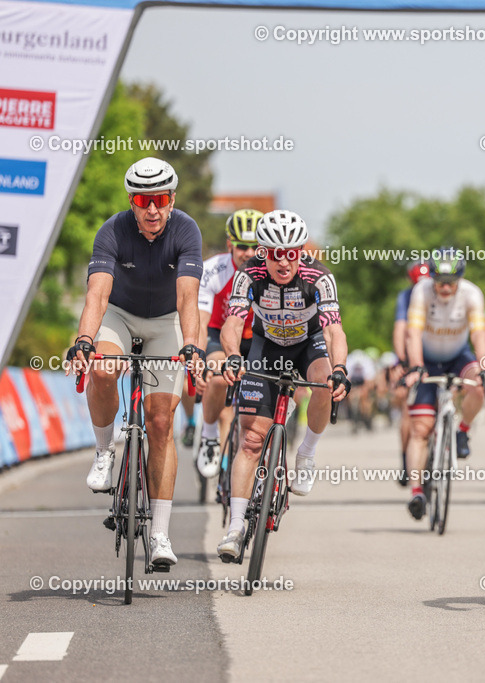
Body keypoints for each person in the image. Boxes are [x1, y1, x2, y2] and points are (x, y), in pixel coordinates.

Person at [65, 157, 204, 569]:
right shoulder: (112, 230)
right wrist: (85, 341)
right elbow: (97, 294)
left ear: (172, 198)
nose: (152, 210)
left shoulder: (186, 229)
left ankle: (159, 533)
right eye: (144, 200)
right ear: (132, 201)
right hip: (120, 315)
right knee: (104, 369)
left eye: (160, 199)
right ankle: (105, 450)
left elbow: (186, 299)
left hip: (166, 320)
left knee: (161, 421)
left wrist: (192, 346)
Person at [216, 210, 350, 560]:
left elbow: (335, 330)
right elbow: (232, 323)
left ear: (301, 250)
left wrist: (340, 369)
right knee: (251, 440)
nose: (285, 261)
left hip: (308, 344)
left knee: (322, 381)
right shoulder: (249, 275)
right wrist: (232, 355)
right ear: (263, 251)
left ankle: (307, 452)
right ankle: (235, 527)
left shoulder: (319, 277)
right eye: (277, 253)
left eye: (292, 252)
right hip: (267, 345)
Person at [401, 247, 485, 519]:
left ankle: (462, 430)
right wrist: (416, 366)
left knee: (478, 384)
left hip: (457, 356)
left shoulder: (472, 294)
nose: (444, 287)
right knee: (420, 428)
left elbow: (479, 335)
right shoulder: (421, 291)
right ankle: (417, 491)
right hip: (427, 359)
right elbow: (414, 332)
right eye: (439, 281)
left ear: (459, 279)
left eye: (450, 282)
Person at [194, 209, 262, 478]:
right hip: (217, 334)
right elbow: (200, 321)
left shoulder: (271, 272)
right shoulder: (213, 270)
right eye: (242, 246)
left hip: (255, 338)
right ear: (229, 245)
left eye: (255, 246)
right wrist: (198, 359)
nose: (248, 253)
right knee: (220, 377)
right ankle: (209, 435)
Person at [391, 260, 430, 485]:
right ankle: (406, 459)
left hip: (436, 353)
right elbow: (401, 330)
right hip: (411, 353)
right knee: (409, 410)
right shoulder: (405, 297)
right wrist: (403, 361)